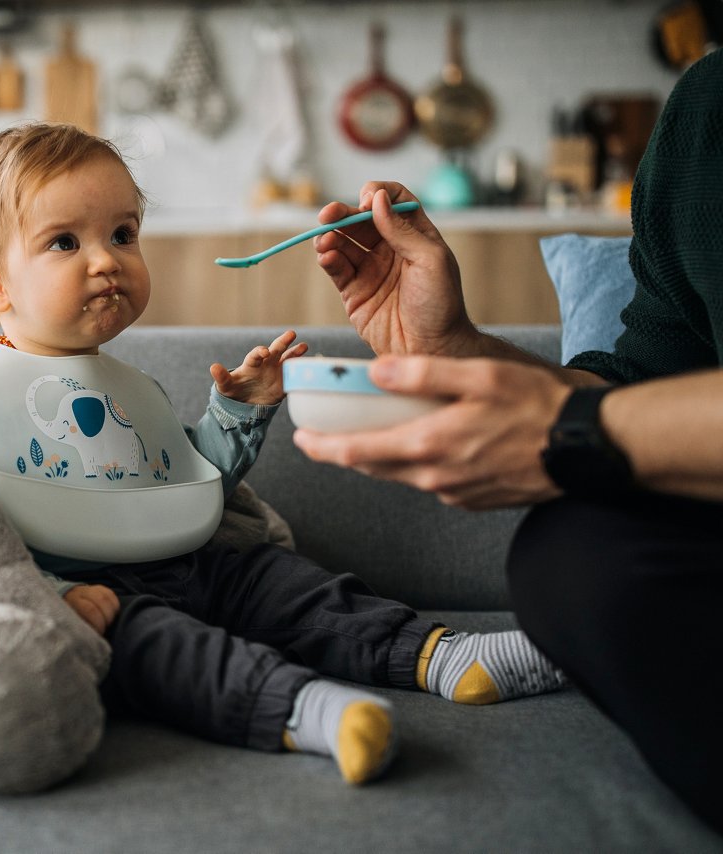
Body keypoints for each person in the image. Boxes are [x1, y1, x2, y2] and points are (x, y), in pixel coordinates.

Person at [0, 121, 569, 786]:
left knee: (280, 580)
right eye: (65, 242)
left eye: (122, 234)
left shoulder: (131, 389)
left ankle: (440, 657)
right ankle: (306, 709)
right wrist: (54, 595)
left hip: (195, 564)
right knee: (159, 646)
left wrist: (241, 410)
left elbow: (191, 483)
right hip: (100, 598)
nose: (107, 260)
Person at [297, 49, 722, 831]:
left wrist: (578, 433)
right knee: (572, 551)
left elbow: (606, 426)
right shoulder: (704, 109)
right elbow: (640, 399)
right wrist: (451, 348)